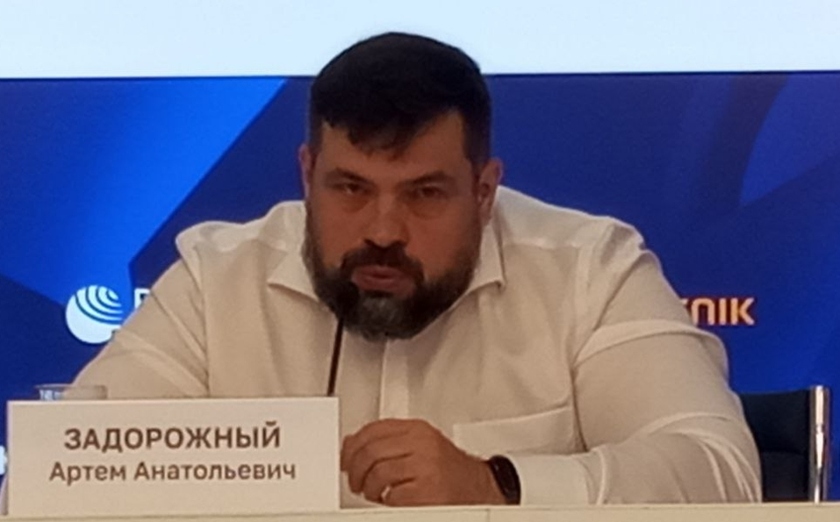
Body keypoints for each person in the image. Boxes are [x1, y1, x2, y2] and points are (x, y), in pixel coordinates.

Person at [73, 32, 761, 507]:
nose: (382, 231)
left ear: (484, 191)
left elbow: (720, 471)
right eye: (351, 189)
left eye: (424, 194)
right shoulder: (215, 283)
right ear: (307, 176)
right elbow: (66, 470)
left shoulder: (588, 270)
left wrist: (497, 485)